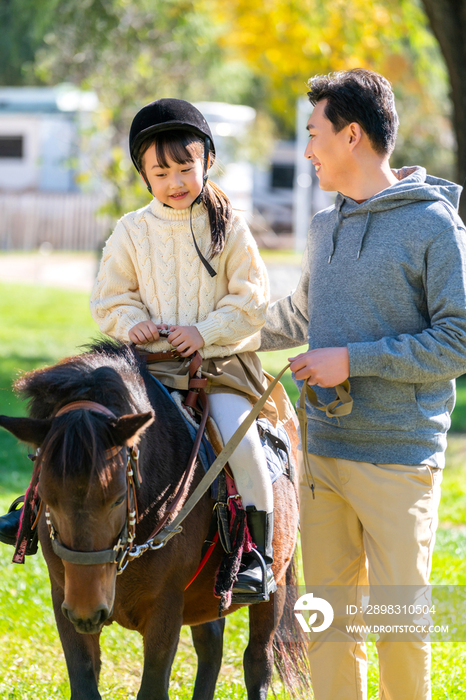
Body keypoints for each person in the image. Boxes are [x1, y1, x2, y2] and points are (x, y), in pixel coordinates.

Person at [259, 68, 466, 699]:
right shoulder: (326, 226)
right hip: (323, 454)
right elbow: (299, 315)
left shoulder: (434, 225)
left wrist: (352, 360)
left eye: (314, 133)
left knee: (400, 626)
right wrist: (211, 333)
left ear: (352, 135)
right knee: (327, 624)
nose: (307, 149)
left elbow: (456, 339)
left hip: (399, 458)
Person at [88, 98, 280, 601]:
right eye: (160, 171)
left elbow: (252, 300)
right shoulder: (132, 230)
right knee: (82, 419)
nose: (175, 181)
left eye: (184, 167)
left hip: (217, 369)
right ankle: (35, 506)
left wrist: (204, 331)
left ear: (207, 161)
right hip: (145, 369)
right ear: (143, 175)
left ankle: (254, 555)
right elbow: (110, 297)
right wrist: (133, 324)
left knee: (243, 445)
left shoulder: (230, 226)